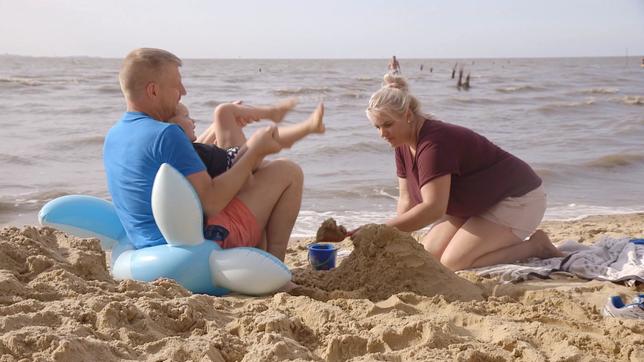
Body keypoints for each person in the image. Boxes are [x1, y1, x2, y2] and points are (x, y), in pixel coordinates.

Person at [104, 48, 320, 262]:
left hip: (148, 244)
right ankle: (274, 267)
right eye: (176, 84)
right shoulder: (167, 134)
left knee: (247, 172)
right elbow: (211, 203)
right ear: (153, 91)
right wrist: (255, 152)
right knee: (287, 171)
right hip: (195, 248)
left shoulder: (114, 135)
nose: (183, 91)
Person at [364, 73, 563, 271]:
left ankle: (536, 246)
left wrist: (380, 232)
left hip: (516, 199)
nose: (382, 134)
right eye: (377, 127)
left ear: (407, 115)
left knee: (453, 263)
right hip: (474, 203)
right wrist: (393, 240)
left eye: (387, 125)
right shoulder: (401, 143)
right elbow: (407, 200)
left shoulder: (434, 145)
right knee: (427, 259)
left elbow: (434, 208)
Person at [170, 100, 324, 178]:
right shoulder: (179, 148)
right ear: (171, 126)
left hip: (228, 158)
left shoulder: (183, 148)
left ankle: (274, 113)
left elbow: (199, 147)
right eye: (186, 116)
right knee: (264, 137)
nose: (193, 121)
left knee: (224, 112)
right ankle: (308, 126)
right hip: (234, 164)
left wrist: (222, 125)